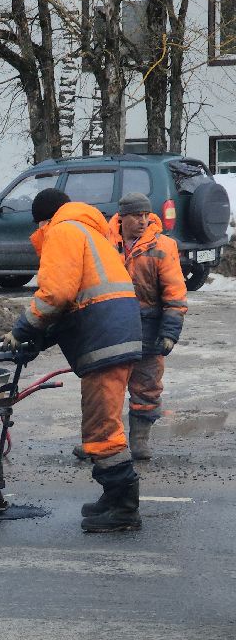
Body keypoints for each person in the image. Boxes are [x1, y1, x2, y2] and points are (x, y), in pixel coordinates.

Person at [3, 187, 143, 532]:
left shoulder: (63, 231)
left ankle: (124, 508)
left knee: (102, 427)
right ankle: (113, 497)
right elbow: (76, 301)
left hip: (105, 338)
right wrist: (40, 338)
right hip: (115, 332)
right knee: (103, 421)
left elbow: (56, 294)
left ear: (43, 220)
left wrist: (22, 329)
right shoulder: (88, 231)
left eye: (38, 226)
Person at [107, 191, 187, 459]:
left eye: (145, 215)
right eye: (136, 216)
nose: (143, 221)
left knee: (147, 385)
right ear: (122, 218)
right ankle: (102, 441)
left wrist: (169, 333)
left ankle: (139, 440)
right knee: (107, 388)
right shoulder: (105, 243)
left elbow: (175, 294)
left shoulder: (163, 246)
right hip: (112, 326)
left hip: (148, 329)